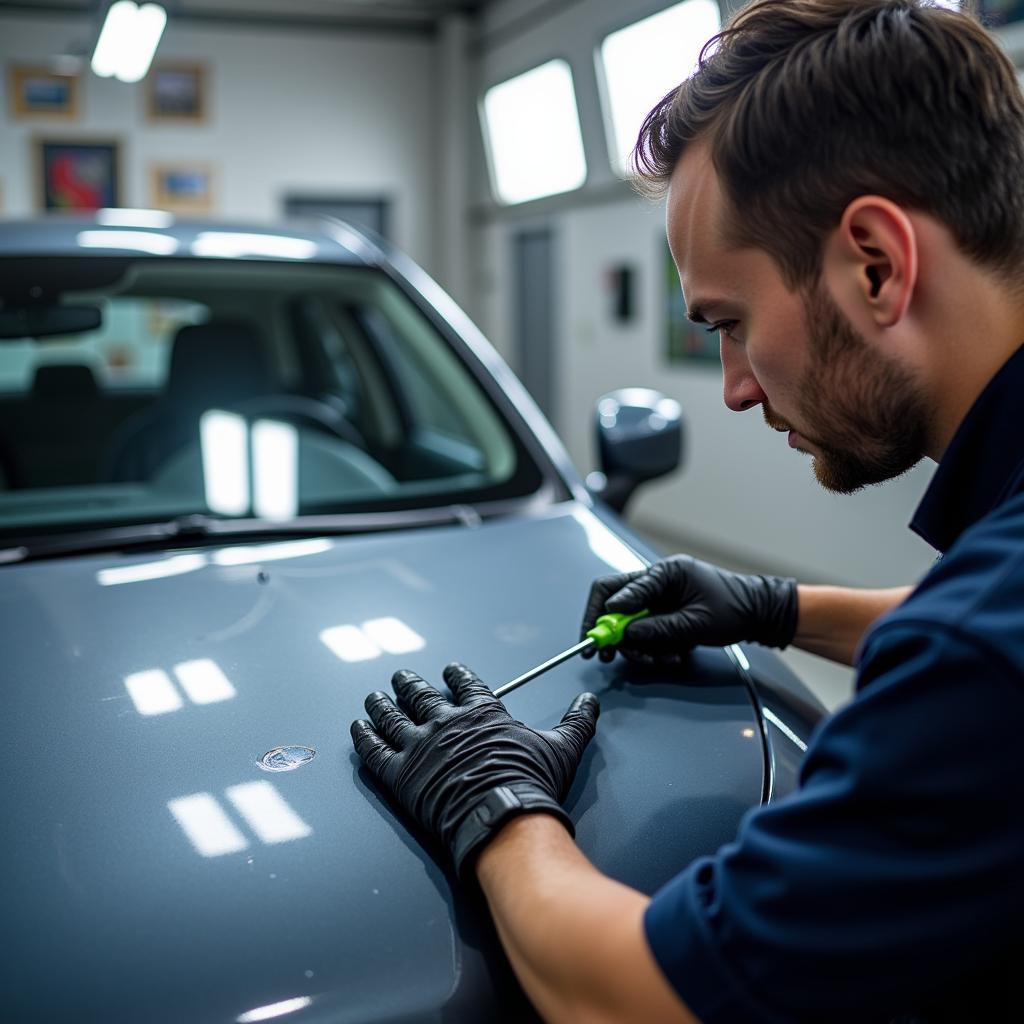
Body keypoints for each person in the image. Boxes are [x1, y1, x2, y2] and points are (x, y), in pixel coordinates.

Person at [350, 0, 1023, 1019]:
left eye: (732, 323)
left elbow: (642, 998)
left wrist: (494, 806)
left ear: (875, 265)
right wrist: (775, 606)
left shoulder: (972, 661)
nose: (735, 390)